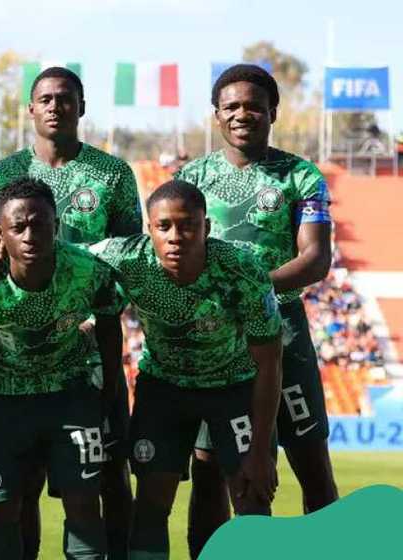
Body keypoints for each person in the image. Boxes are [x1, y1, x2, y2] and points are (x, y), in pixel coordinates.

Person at [0, 66, 140, 559]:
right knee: (18, 488)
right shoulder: (2, 174)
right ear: (30, 109)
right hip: (20, 356)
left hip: (89, 346)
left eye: (65, 98)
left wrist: (89, 307)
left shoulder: (112, 173)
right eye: (44, 98)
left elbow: (131, 251)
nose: (54, 106)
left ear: (81, 107)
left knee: (106, 477)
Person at [174, 64, 338, 558]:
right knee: (208, 469)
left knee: (312, 464)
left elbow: (315, 259)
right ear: (216, 116)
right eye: (232, 106)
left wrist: (250, 288)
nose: (243, 114)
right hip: (212, 340)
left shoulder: (301, 176)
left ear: (272, 113)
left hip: (283, 334)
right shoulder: (191, 177)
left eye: (253, 106)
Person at [91, 180, 282, 559]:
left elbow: (270, 362)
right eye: (164, 227)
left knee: (253, 502)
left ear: (207, 228)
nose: (175, 236)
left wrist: (261, 450)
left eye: (188, 225)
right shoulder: (124, 257)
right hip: (164, 389)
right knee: (150, 506)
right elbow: (55, 252)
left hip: (234, 387)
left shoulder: (242, 268)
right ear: (149, 230)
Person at [0, 178, 124, 559]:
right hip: (1, 401)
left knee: (83, 505)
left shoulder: (88, 270)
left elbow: (111, 326)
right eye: (18, 227)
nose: (30, 235)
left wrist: (109, 392)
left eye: (39, 224)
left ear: (56, 224)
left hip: (70, 397)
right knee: (3, 509)